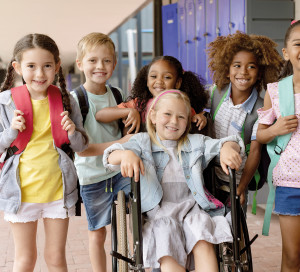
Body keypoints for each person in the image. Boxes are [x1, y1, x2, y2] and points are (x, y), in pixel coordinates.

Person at [103, 90, 244, 272]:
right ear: (153, 116)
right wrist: (125, 154)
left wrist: (227, 148)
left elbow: (232, 141)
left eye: (181, 117)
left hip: (192, 210)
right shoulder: (141, 142)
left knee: (201, 231)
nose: (173, 121)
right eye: (167, 114)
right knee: (165, 232)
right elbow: (109, 157)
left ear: (187, 122)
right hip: (159, 214)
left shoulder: (195, 142)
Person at [0, 33, 88, 271]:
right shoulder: (5, 102)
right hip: (20, 193)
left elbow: (81, 147)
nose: (40, 74)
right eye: (31, 66)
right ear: (17, 67)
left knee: (56, 258)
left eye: (47, 66)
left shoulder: (66, 100)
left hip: (59, 192)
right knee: (25, 259)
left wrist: (71, 133)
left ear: (57, 66)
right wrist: (10, 133)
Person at [71, 32, 132, 272]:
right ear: (80, 64)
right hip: (92, 178)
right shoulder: (76, 100)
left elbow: (126, 127)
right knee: (97, 234)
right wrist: (120, 144)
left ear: (114, 64)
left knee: (129, 226)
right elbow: (82, 150)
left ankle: (127, 265)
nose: (100, 66)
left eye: (107, 61)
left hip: (120, 172)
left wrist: (131, 114)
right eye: (92, 60)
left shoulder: (117, 94)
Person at [206, 31, 283, 208]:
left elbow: (255, 152)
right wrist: (198, 114)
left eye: (251, 67)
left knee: (235, 228)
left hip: (235, 178)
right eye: (237, 65)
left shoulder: (261, 109)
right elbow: (187, 102)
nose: (243, 72)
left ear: (260, 72)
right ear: (227, 70)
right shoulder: (215, 92)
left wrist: (240, 189)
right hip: (207, 175)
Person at [256, 20, 300, 271]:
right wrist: (276, 129)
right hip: (290, 183)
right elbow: (261, 136)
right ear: (286, 53)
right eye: (298, 44)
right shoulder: (275, 90)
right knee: (292, 256)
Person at [95, 55, 209, 133]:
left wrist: (199, 118)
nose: (159, 81)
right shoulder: (139, 104)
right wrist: (129, 111)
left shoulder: (183, 106)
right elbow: (100, 115)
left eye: (167, 77)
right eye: (153, 76)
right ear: (147, 80)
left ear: (178, 83)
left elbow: (193, 120)